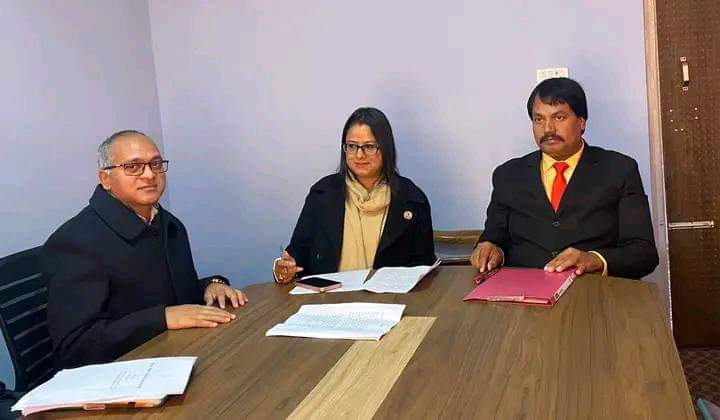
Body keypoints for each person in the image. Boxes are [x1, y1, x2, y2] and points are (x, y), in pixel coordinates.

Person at [43, 130, 248, 368]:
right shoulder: (75, 241)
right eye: (133, 167)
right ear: (105, 178)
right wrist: (162, 318)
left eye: (156, 164)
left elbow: (172, 296)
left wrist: (211, 285)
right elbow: (75, 347)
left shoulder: (168, 224)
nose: (150, 175)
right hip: (122, 374)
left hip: (178, 356)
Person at [471, 78, 659, 279]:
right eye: (539, 119)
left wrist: (594, 260)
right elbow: (493, 239)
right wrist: (490, 249)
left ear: (581, 122)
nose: (548, 129)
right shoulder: (508, 175)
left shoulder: (619, 169)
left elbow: (644, 253)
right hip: (526, 291)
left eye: (559, 117)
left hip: (594, 289)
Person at [274, 107, 436, 282]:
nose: (359, 155)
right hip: (329, 295)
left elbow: (423, 267)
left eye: (369, 147)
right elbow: (297, 254)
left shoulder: (412, 200)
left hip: (389, 297)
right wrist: (285, 268)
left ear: (386, 149)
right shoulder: (322, 195)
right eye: (352, 146)